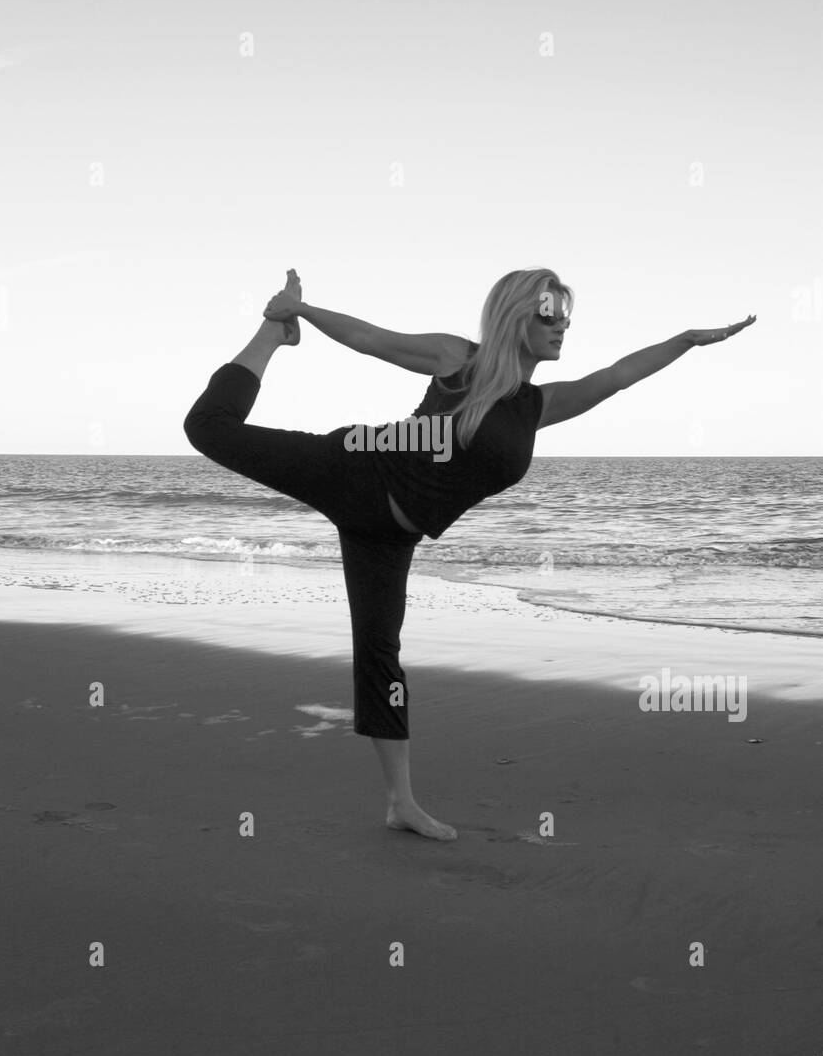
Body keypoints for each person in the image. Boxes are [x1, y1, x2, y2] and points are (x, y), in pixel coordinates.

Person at [183, 268, 755, 841]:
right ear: (517, 316)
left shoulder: (538, 406)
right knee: (207, 428)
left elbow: (616, 377)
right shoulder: (458, 359)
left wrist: (684, 340)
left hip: (387, 536)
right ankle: (271, 336)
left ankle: (400, 803)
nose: (562, 325)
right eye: (548, 312)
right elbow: (374, 339)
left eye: (565, 315)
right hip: (353, 469)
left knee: (381, 654)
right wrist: (301, 314)